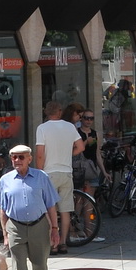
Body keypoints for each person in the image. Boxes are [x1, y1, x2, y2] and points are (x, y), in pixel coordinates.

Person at [0, 144, 60, 270]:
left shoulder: (41, 177)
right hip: (15, 227)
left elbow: (51, 205)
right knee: (18, 267)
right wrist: (5, 234)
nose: (17, 160)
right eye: (14, 157)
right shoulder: (5, 180)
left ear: (29, 159)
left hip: (39, 226)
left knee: (40, 266)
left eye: (21, 157)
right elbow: (3, 209)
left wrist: (55, 228)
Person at [34, 100, 82, 251]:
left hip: (49, 173)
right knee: (65, 209)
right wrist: (69, 154)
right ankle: (63, 242)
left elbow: (40, 154)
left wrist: (39, 172)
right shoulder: (70, 127)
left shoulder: (42, 128)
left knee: (50, 209)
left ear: (46, 112)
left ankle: (52, 244)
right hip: (66, 172)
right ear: (60, 111)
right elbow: (81, 146)